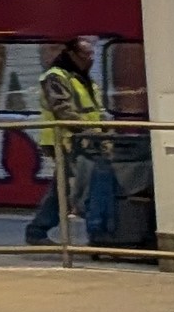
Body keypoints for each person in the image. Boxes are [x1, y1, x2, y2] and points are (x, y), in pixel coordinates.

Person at [26, 38, 112, 246]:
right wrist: (90, 132)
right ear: (71, 54)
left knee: (66, 188)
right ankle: (38, 231)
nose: (89, 60)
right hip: (65, 140)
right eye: (85, 55)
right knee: (68, 189)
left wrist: (107, 131)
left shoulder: (83, 79)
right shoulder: (55, 77)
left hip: (86, 140)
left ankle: (39, 230)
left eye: (92, 55)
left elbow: (95, 110)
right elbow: (64, 110)